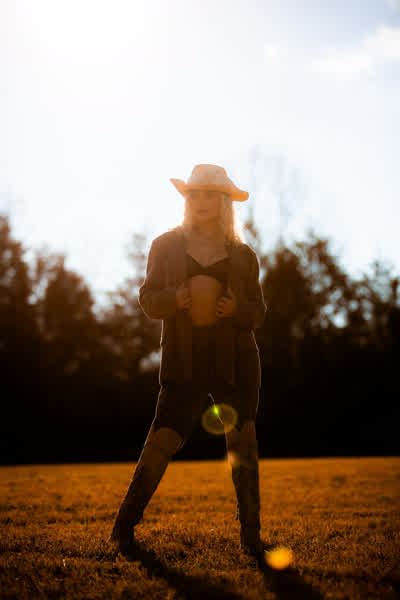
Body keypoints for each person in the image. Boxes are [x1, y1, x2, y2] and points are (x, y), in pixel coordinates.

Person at [108, 164, 267, 559]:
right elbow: (148, 299)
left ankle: (251, 534)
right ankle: (123, 528)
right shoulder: (165, 246)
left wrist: (237, 310)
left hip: (235, 363)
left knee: (242, 442)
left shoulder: (243, 256)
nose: (200, 201)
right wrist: (172, 301)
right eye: (194, 193)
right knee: (161, 439)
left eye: (209, 194)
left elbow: (258, 311)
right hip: (184, 361)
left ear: (224, 201)